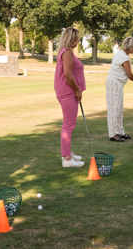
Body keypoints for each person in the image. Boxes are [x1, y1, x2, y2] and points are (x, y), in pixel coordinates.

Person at [54, 27, 85, 167]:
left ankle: (67, 153)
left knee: (69, 124)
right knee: (68, 125)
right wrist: (77, 90)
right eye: (77, 38)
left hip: (67, 91)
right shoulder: (67, 53)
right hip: (68, 91)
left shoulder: (67, 52)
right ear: (71, 38)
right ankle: (67, 159)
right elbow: (67, 74)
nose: (78, 41)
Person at [106, 37, 133, 142]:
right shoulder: (124, 57)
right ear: (129, 47)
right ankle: (113, 134)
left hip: (118, 84)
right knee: (114, 109)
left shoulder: (122, 54)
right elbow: (130, 75)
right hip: (114, 84)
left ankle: (120, 132)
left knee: (119, 109)